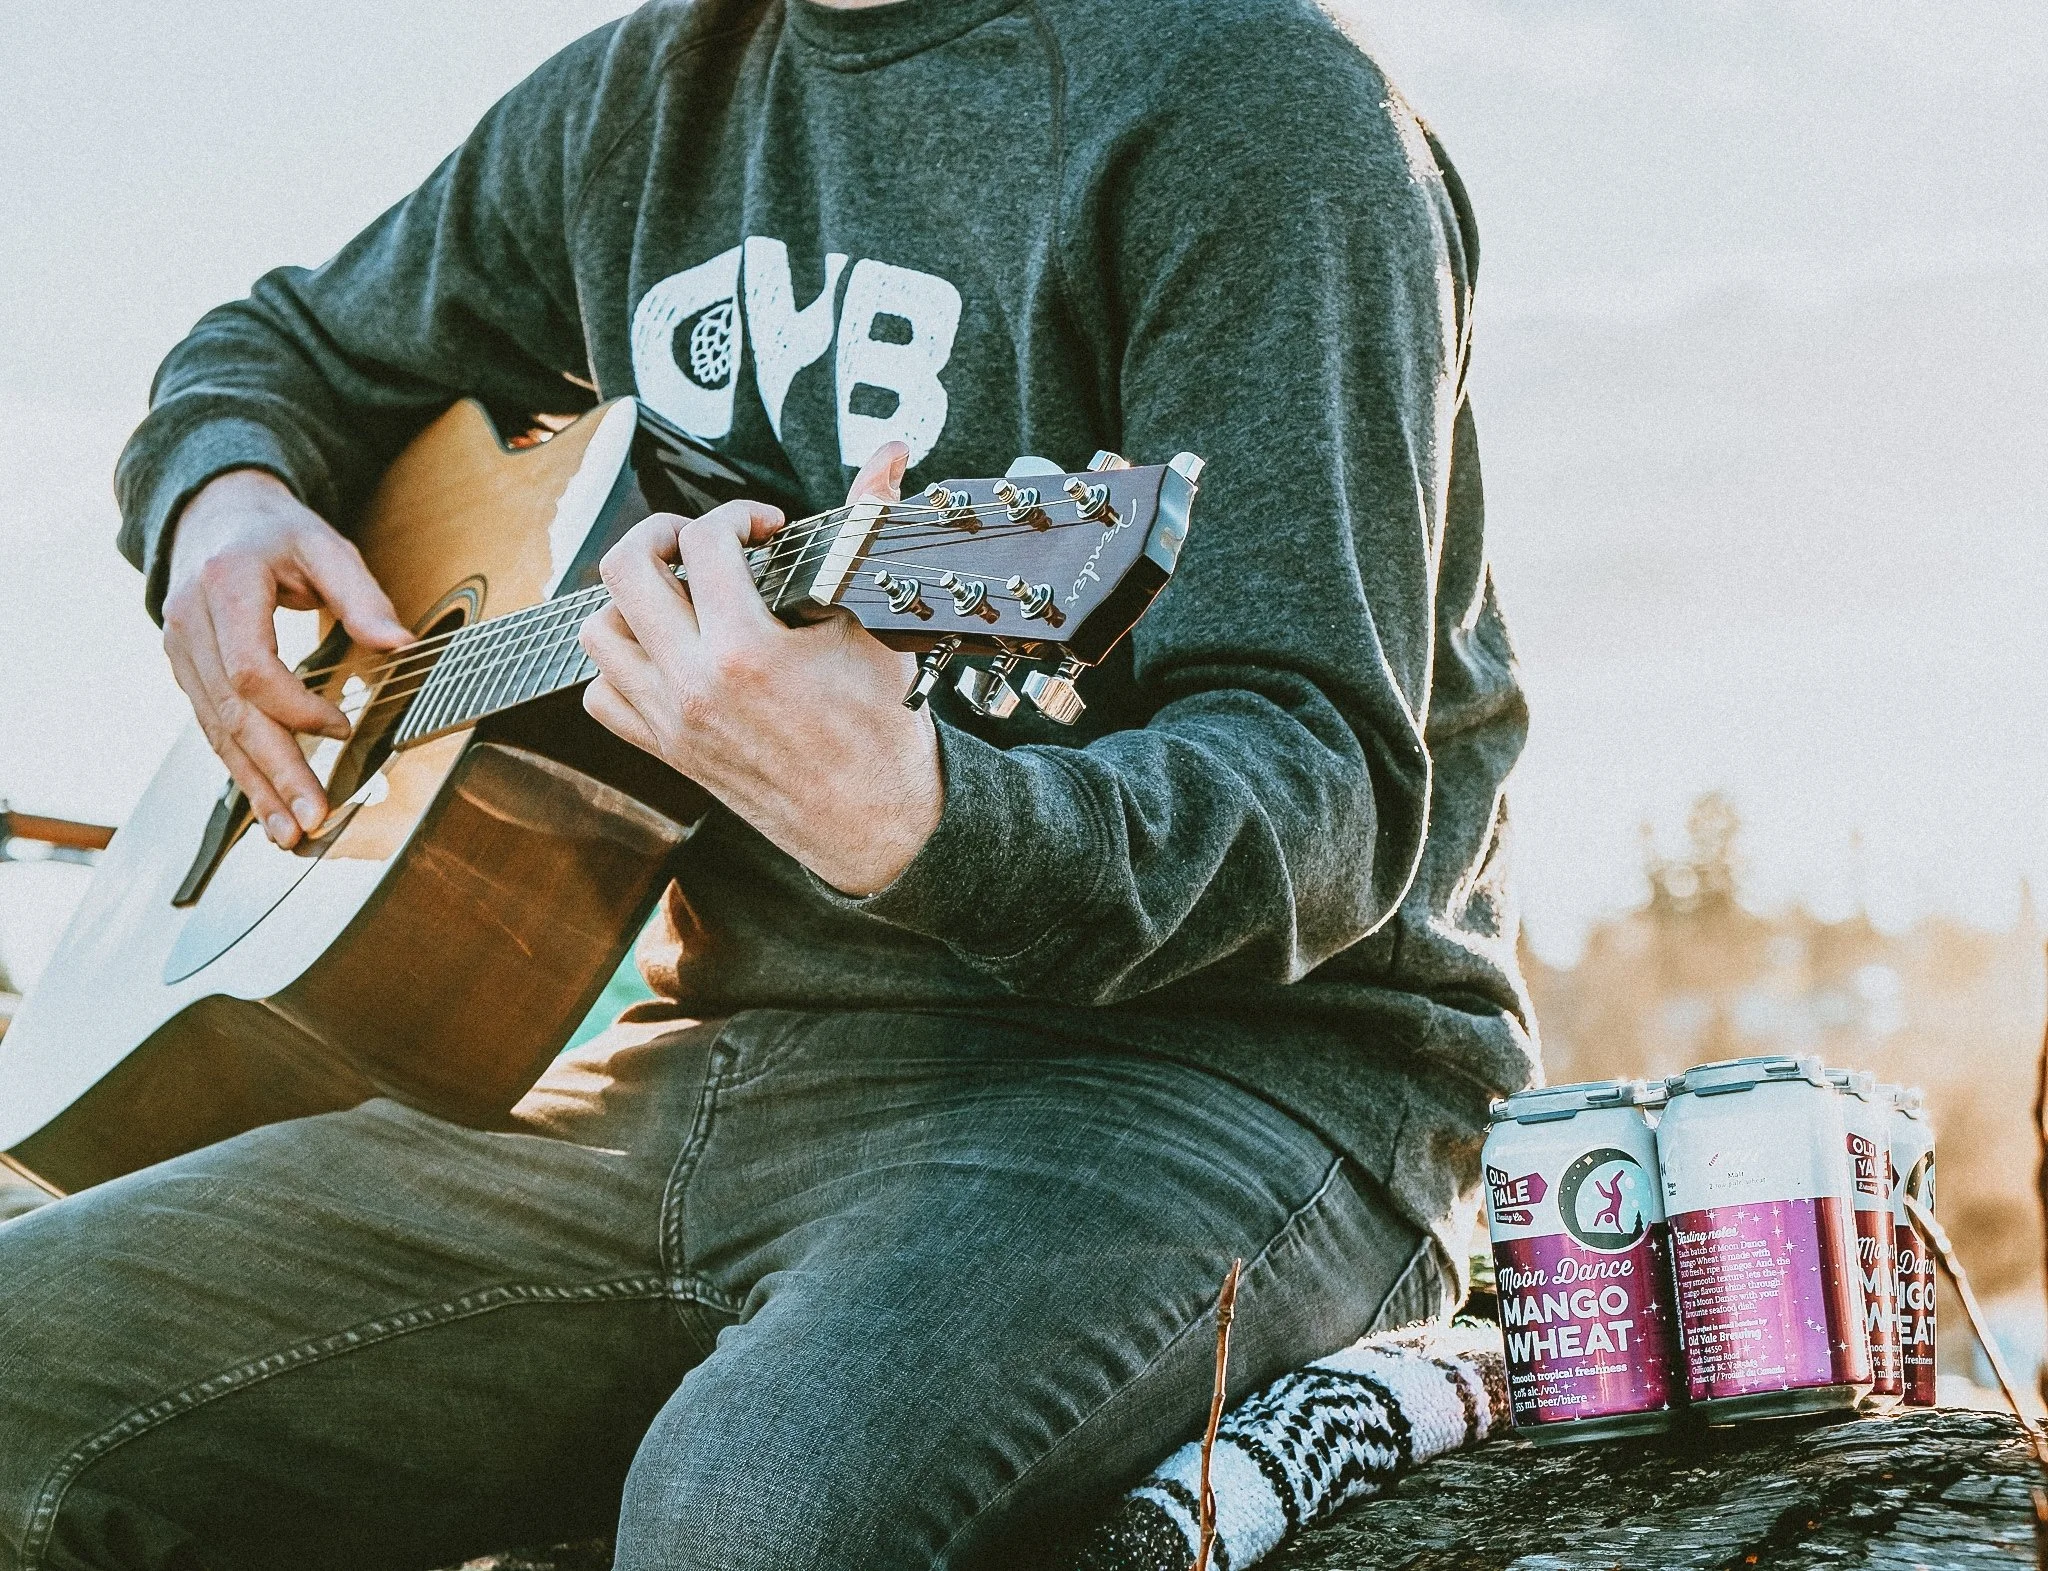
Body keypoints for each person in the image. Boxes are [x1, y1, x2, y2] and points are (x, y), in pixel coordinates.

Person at [0, 0, 1533, 1566]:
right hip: (708, 1062)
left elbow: (1317, 788)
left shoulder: (1249, 103)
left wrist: (920, 818)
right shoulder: (642, 99)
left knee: (751, 1514)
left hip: (1222, 1089)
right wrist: (221, 503)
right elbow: (283, 348)